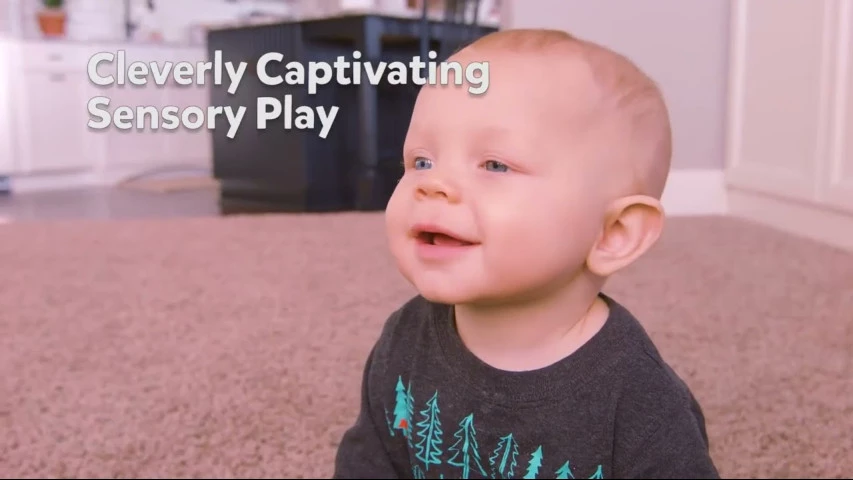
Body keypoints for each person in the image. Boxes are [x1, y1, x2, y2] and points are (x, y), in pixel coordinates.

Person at [333, 28, 719, 479]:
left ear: (614, 233)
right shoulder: (404, 338)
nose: (432, 184)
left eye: (495, 164)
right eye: (421, 161)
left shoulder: (640, 399)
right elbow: (370, 462)